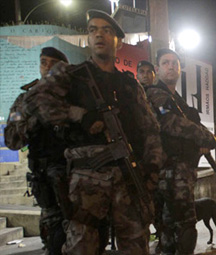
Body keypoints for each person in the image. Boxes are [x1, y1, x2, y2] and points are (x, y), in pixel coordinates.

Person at [21, 9, 164, 254]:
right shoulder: (70, 76)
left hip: (129, 179)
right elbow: (36, 101)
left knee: (136, 246)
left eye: (107, 31)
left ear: (118, 41)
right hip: (86, 182)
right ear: (88, 38)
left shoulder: (131, 86)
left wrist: (151, 174)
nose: (99, 35)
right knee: (81, 247)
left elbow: (151, 131)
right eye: (93, 30)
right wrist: (79, 115)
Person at [145, 48, 216, 255]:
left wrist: (199, 141)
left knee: (169, 227)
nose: (171, 66)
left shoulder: (178, 101)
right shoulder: (155, 94)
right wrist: (206, 138)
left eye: (175, 63)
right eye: (166, 63)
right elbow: (171, 124)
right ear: (157, 69)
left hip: (178, 171)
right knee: (185, 225)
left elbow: (188, 123)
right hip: (169, 171)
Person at [4, 47, 69, 255]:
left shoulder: (76, 96)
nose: (47, 67)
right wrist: (32, 116)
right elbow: (12, 140)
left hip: (78, 180)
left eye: (53, 62)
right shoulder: (26, 100)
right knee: (54, 240)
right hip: (47, 182)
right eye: (43, 62)